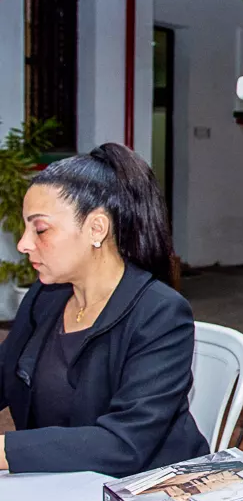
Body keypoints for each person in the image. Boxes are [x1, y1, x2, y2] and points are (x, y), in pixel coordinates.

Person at [0, 143, 208, 476]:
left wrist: (5, 450)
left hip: (144, 496)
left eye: (40, 229)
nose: (24, 244)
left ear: (97, 228)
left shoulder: (161, 314)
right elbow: (4, 373)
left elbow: (124, 443)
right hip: (63, 484)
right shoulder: (46, 295)